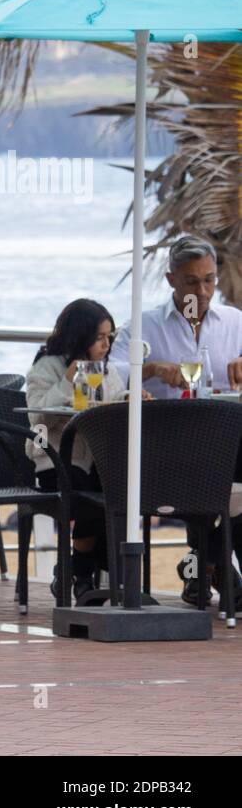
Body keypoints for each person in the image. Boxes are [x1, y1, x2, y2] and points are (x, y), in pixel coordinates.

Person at [109, 235, 242, 605]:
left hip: (225, 444)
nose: (202, 291)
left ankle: (207, 564)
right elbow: (107, 374)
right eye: (191, 282)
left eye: (209, 279)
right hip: (165, 450)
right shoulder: (145, 325)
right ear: (171, 281)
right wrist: (149, 369)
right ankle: (213, 570)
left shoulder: (234, 321)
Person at [27, 299, 128, 602]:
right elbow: (37, 416)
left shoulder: (105, 370)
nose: (106, 344)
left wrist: (131, 397)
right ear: (80, 335)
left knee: (115, 491)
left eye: (110, 336)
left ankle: (74, 570)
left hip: (96, 459)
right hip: (56, 461)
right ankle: (83, 574)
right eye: (100, 337)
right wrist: (68, 380)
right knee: (90, 500)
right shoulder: (47, 366)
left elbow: (114, 396)